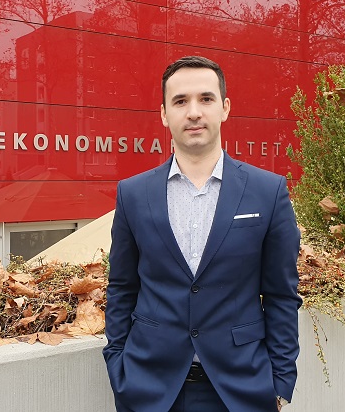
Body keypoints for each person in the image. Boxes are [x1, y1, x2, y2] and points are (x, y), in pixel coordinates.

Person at [103, 55, 301, 412]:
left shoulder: (268, 191)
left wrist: (280, 383)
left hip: (240, 391)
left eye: (205, 99)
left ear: (224, 108)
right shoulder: (132, 194)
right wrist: (118, 367)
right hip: (149, 390)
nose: (193, 112)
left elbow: (281, 295)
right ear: (164, 114)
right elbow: (122, 287)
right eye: (180, 101)